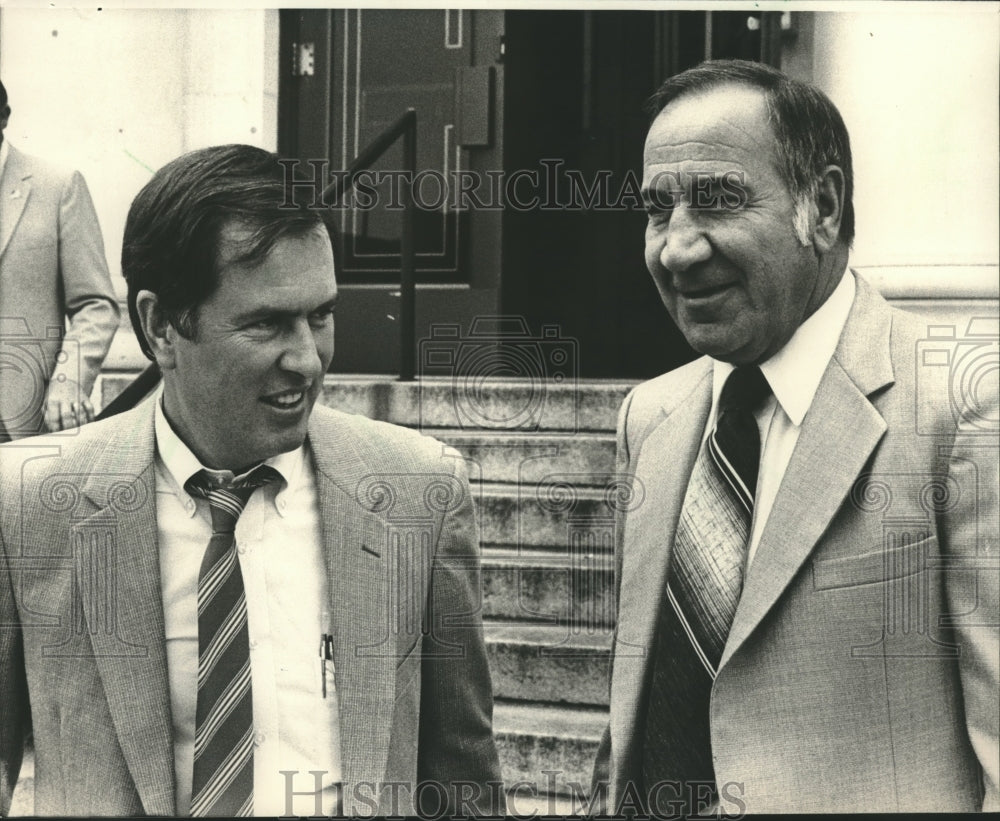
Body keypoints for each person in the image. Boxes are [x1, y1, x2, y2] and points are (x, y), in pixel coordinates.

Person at [0, 144, 504, 816]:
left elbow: (464, 782)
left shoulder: (418, 492)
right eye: (266, 323)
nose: (307, 360)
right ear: (159, 326)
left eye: (320, 315)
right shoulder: (29, 503)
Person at [591, 60, 998, 814]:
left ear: (825, 207)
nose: (676, 248)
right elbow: (638, 725)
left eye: (718, 202)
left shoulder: (966, 412)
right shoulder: (649, 417)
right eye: (657, 211)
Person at [0, 78, 120, 441]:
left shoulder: (58, 186)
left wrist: (68, 381)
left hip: (21, 419)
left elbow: (96, 306)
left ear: (4, 117)